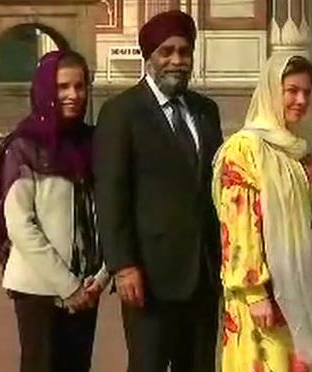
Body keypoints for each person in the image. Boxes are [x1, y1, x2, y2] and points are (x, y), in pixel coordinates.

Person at [93, 10, 223, 372]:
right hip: (148, 276)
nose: (177, 61)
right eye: (167, 52)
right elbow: (110, 193)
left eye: (185, 52)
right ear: (149, 56)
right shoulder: (122, 113)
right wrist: (123, 265)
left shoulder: (205, 111)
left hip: (202, 273)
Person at [0, 50, 108, 372]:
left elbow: (105, 212)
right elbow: (21, 226)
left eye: (80, 86)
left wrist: (101, 276)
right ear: (45, 90)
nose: (73, 95)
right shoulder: (24, 147)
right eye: (63, 87)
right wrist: (68, 286)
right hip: (39, 288)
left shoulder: (92, 143)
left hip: (87, 285)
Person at [212, 54, 312, 372]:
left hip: (298, 286)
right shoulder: (245, 149)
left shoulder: (302, 151)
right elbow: (238, 226)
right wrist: (254, 292)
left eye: (306, 91)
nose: (300, 100)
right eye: (291, 90)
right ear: (270, 90)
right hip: (262, 295)